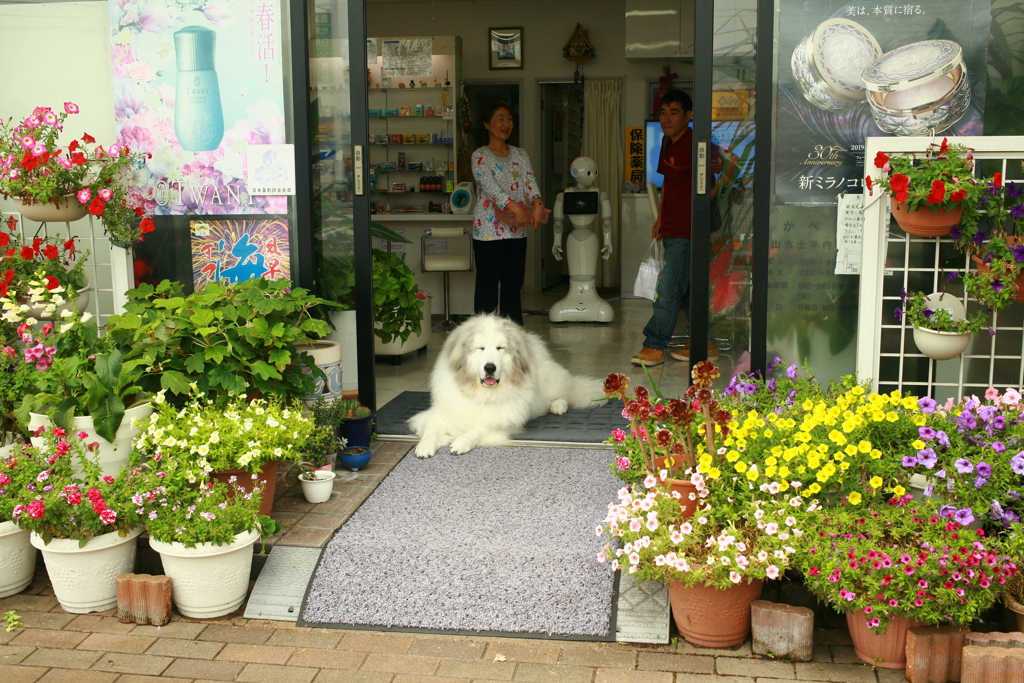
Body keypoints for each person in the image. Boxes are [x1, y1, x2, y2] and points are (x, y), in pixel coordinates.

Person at [631, 90, 724, 367]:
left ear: (688, 115)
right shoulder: (667, 142)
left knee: (668, 290)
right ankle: (705, 343)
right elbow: (669, 184)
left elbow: (729, 167)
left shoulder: (698, 143)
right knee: (689, 291)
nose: (667, 119)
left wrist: (712, 194)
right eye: (663, 113)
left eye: (674, 113)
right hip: (672, 227)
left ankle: (654, 345)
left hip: (690, 230)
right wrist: (660, 219)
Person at [470, 99, 545, 326]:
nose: (506, 124)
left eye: (509, 119)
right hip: (488, 232)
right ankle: (483, 337)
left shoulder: (520, 155)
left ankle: (513, 336)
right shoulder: (480, 156)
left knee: (513, 287)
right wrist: (516, 208)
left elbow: (530, 183)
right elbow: (492, 189)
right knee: (487, 288)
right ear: (486, 124)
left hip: (516, 230)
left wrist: (538, 204)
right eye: (500, 118)